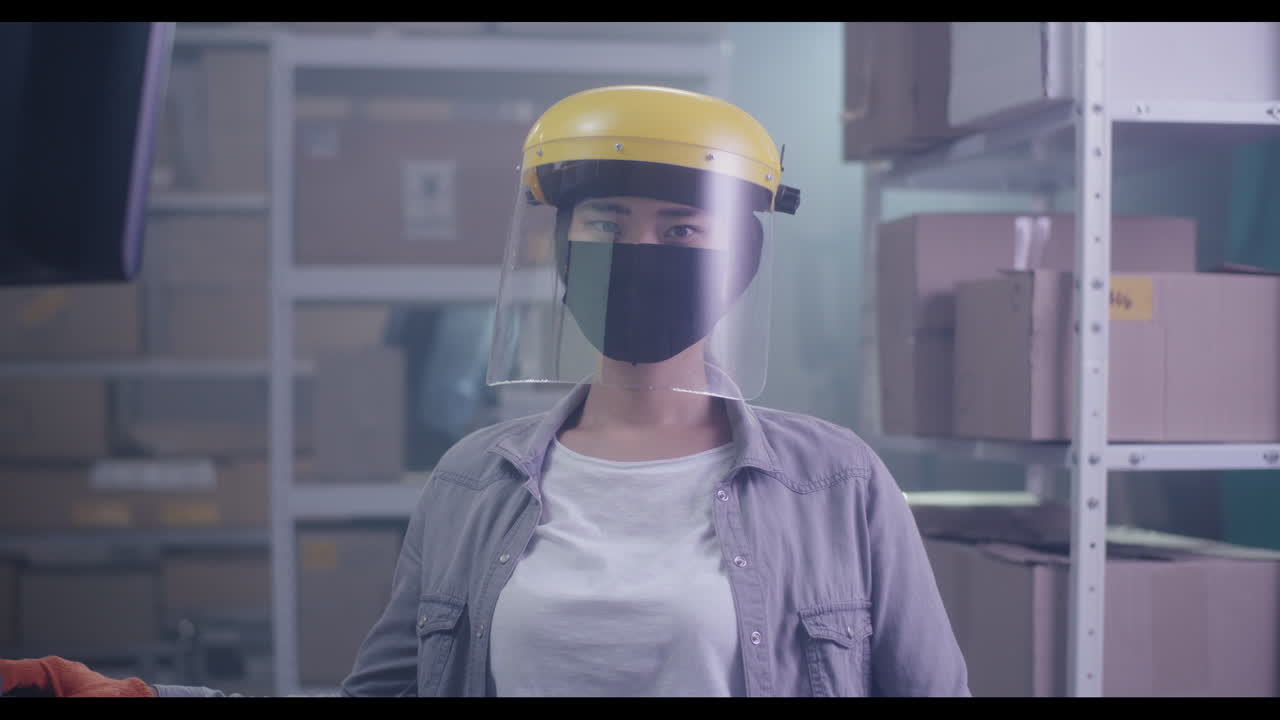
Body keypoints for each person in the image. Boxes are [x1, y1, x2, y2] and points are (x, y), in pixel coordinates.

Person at [0, 85, 969, 698]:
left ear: (741, 258)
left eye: (682, 229)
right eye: (603, 222)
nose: (639, 251)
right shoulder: (474, 482)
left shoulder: (836, 485)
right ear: (559, 248)